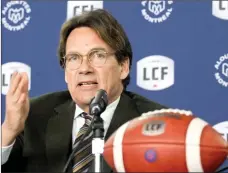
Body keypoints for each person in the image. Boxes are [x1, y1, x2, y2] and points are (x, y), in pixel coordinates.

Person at [1, 9, 167, 172]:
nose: (84, 68)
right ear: (66, 71)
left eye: (97, 55)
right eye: (74, 58)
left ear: (123, 66)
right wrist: (8, 131)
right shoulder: (35, 115)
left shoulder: (155, 123)